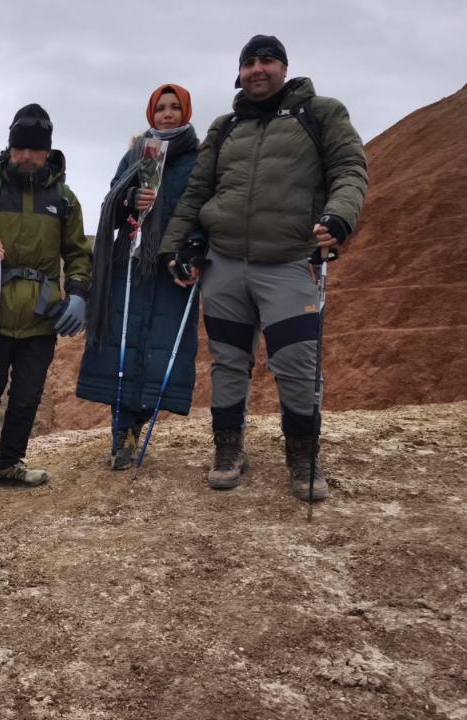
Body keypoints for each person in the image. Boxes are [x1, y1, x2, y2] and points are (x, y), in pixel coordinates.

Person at [159, 35, 368, 501]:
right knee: (229, 363)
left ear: (284, 67)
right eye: (249, 62)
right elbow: (198, 190)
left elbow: (351, 169)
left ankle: (302, 454)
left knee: (297, 364)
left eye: (267, 60)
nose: (258, 69)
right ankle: (229, 450)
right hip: (225, 263)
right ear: (239, 72)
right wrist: (178, 246)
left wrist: (340, 216)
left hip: (289, 262)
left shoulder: (321, 114)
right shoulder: (225, 125)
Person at [0, 103, 92, 504]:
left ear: (48, 151)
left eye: (34, 149)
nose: (26, 156)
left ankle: (11, 463)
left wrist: (79, 294)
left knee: (28, 394)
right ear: (10, 147)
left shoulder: (64, 199)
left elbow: (78, 253)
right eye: (20, 148)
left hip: (42, 315)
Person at [76, 83, 202, 470]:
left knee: (158, 348)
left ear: (186, 112)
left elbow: (203, 209)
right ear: (151, 113)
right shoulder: (136, 154)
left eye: (174, 107)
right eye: (160, 108)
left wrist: (192, 249)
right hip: (129, 267)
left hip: (171, 270)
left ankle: (141, 420)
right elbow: (111, 201)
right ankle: (121, 431)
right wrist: (130, 200)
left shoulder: (197, 160)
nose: (167, 114)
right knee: (124, 346)